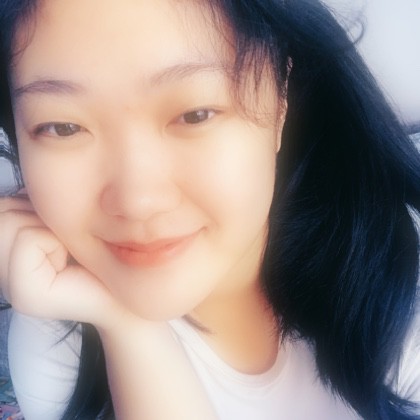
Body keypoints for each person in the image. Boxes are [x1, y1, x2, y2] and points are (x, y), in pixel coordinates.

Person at [0, 0, 419, 419]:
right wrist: (126, 327)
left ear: (281, 99)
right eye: (63, 127)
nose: (137, 202)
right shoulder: (57, 331)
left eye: (195, 115)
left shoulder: (401, 291)